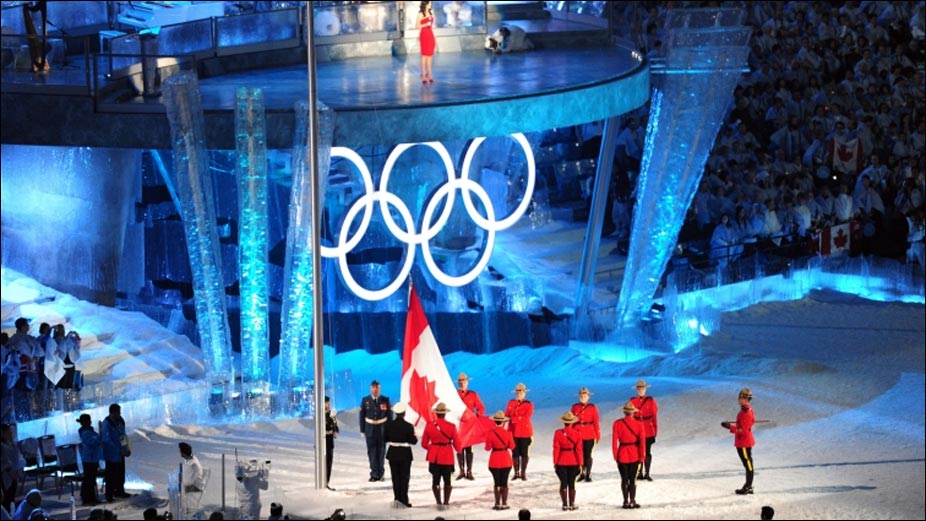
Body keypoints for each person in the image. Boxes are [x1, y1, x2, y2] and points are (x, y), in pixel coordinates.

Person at [421, 402, 460, 509]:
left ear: (436, 413)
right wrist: (460, 450)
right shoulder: (451, 426)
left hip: (434, 457)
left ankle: (438, 502)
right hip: (447, 456)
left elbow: (424, 444)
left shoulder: (429, 425)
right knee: (448, 480)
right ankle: (446, 503)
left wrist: (432, 448)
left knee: (435, 480)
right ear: (445, 413)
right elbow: (457, 445)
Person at [722, 387, 756, 495]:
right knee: (747, 463)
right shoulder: (746, 410)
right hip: (743, 441)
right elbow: (751, 421)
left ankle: (748, 486)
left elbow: (743, 431)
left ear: (745, 399)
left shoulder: (746, 412)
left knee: (748, 464)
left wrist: (729, 427)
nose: (739, 399)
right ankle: (748, 486)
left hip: (744, 442)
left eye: (741, 397)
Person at [613, 401, 646, 509]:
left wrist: (615, 455)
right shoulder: (639, 424)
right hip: (634, 454)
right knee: (633, 479)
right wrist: (642, 456)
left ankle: (625, 501)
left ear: (624, 412)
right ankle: (632, 500)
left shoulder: (617, 423)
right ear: (633, 412)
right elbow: (642, 442)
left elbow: (614, 442)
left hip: (622, 454)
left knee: (624, 479)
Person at [384, 402, 417, 508]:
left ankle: (397, 499)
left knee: (395, 477)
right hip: (405, 454)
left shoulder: (389, 425)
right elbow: (413, 441)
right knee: (404, 477)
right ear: (404, 413)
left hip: (393, 452)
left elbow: (385, 438)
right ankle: (404, 499)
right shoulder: (408, 426)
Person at [359, 380, 391, 482]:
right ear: (370, 388)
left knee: (381, 452)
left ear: (380, 389)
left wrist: (390, 430)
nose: (375, 389)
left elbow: (389, 416)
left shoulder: (385, 400)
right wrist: (362, 430)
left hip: (382, 429)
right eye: (373, 387)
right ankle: (374, 473)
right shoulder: (365, 400)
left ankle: (381, 473)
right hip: (370, 429)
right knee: (371, 452)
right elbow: (362, 416)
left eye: (377, 387)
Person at [455, 372, 485, 480]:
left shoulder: (473, 394)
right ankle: (461, 471)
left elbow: (481, 408)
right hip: (459, 424)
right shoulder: (454, 395)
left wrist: (476, 415)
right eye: (460, 382)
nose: (462, 383)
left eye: (464, 381)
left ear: (467, 382)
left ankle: (469, 471)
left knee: (468, 447)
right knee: (459, 447)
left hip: (469, 425)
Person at [552, 411, 583, 511]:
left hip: (561, 461)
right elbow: (578, 450)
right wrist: (580, 463)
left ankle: (565, 504)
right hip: (573, 461)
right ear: (572, 422)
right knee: (572, 483)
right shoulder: (577, 434)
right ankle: (572, 503)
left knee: (563, 483)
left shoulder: (558, 433)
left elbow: (556, 449)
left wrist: (555, 462)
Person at [484, 410, 514, 511]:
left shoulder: (490, 433)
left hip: (494, 460)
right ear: (503, 422)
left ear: (494, 421)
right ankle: (504, 503)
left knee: (496, 482)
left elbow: (487, 448)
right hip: (506, 460)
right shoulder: (508, 433)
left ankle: (497, 503)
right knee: (504, 481)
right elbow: (512, 446)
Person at [629, 379, 658, 481]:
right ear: (636, 390)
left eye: (642, 389)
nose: (641, 390)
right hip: (636, 430)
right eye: (639, 389)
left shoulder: (651, 400)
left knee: (647, 452)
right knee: (638, 452)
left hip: (648, 430)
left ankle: (647, 473)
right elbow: (629, 417)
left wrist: (655, 431)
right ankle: (639, 473)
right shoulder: (632, 401)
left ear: (645, 389)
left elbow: (654, 416)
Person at [102, 403, 131, 501]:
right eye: (118, 412)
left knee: (120, 473)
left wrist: (126, 448)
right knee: (111, 475)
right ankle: (109, 494)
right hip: (111, 454)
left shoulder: (120, 421)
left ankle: (120, 491)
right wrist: (117, 450)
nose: (120, 414)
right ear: (112, 412)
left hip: (120, 452)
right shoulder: (107, 423)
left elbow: (123, 435)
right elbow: (106, 440)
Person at [570, 387, 600, 482]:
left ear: (588, 396)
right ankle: (582, 473)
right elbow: (571, 421)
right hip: (578, 433)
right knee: (579, 454)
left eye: (585, 395)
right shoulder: (575, 407)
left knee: (588, 454)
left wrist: (597, 434)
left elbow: (596, 421)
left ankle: (588, 474)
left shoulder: (592, 407)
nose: (583, 397)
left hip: (589, 434)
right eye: (581, 396)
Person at [505, 382, 533, 480]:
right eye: (517, 392)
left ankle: (523, 473)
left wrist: (513, 419)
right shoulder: (511, 402)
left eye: (521, 392)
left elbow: (526, 417)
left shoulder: (529, 404)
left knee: (524, 453)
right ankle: (516, 473)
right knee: (515, 452)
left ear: (525, 393)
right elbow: (507, 414)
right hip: (513, 431)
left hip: (524, 432)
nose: (519, 394)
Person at [77, 414, 102, 506]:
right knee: (89, 479)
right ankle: (87, 498)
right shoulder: (85, 433)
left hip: (92, 458)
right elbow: (94, 442)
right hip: (89, 459)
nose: (90, 422)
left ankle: (91, 497)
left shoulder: (89, 431)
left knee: (91, 479)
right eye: (88, 421)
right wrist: (100, 434)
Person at [178, 442, 205, 518]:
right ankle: (183, 509)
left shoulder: (192, 463)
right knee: (179, 488)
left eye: (180, 451)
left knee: (179, 490)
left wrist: (180, 483)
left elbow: (189, 480)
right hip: (192, 484)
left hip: (195, 486)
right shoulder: (188, 460)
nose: (179, 452)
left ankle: (184, 510)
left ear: (183, 452)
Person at [1, 424, 23, 513]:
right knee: (7, 498)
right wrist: (10, 471)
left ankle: (12, 514)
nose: (10, 435)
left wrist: (18, 469)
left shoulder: (13, 444)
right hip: (6, 475)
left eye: (11, 433)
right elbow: (3, 461)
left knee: (12, 498)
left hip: (14, 473)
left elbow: (18, 458)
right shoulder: (2, 446)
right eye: (8, 433)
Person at [417, 1, 436, 83]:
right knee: (424, 55)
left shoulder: (431, 13)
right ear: (425, 4)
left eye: (431, 3)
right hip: (424, 35)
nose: (430, 5)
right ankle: (423, 75)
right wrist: (425, 24)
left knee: (430, 56)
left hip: (430, 34)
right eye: (429, 3)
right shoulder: (421, 14)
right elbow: (417, 26)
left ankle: (430, 74)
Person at [324, 396, 339, 490]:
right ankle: (323, 482)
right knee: (324, 463)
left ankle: (327, 482)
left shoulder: (331, 414)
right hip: (323, 440)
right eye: (326, 403)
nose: (328, 405)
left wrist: (335, 429)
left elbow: (336, 428)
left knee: (329, 463)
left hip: (330, 441)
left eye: (328, 403)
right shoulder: (321, 414)